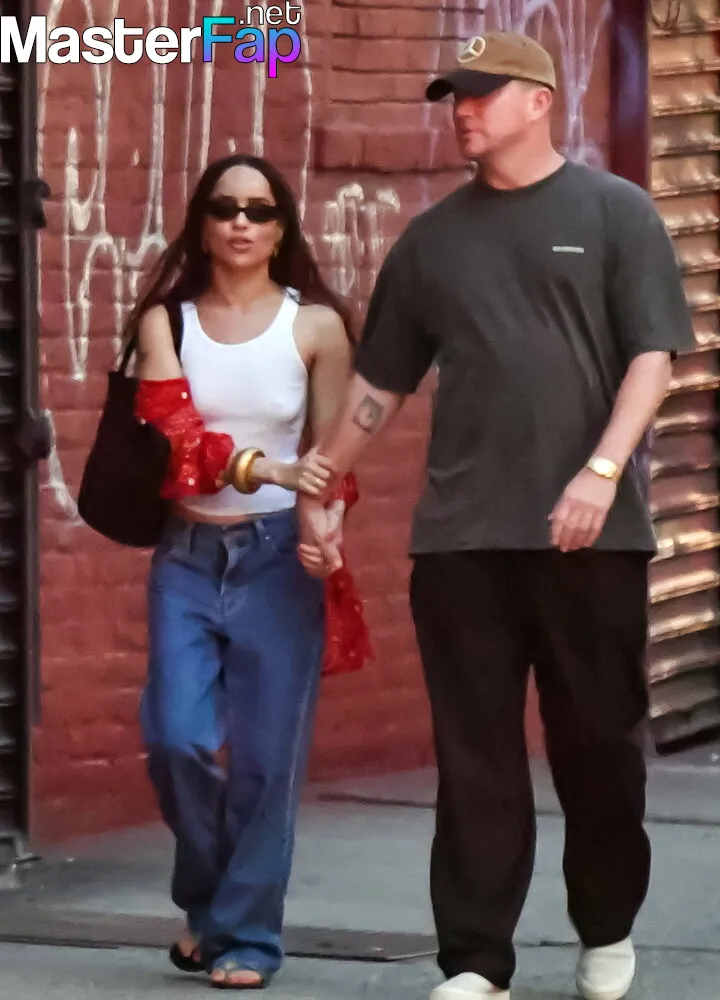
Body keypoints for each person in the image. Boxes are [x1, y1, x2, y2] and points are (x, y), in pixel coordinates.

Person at [296, 31, 695, 1000]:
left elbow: (653, 360)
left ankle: (606, 927)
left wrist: (602, 470)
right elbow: (381, 385)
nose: (462, 110)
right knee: (476, 760)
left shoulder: (617, 212)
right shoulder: (431, 241)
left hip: (592, 537)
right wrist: (324, 486)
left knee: (597, 747)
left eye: (481, 93)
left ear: (538, 100)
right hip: (461, 540)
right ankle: (478, 961)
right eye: (454, 96)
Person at [124, 153, 371, 990]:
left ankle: (247, 937)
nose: (241, 223)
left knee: (267, 763)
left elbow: (333, 459)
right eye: (224, 208)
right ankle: (211, 904)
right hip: (188, 558)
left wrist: (326, 523)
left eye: (259, 211)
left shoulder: (317, 326)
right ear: (201, 224)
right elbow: (181, 441)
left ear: (281, 228)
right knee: (177, 739)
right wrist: (273, 470)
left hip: (275, 559)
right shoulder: (166, 322)